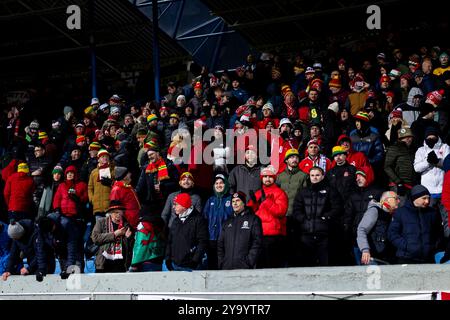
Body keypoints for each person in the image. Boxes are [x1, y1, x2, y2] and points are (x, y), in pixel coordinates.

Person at [292, 166, 342, 266]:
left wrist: (326, 218)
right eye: (312, 175)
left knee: (325, 264)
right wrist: (304, 220)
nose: (314, 177)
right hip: (306, 234)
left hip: (324, 235)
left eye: (317, 175)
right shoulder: (303, 192)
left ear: (322, 176)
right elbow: (296, 209)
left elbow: (337, 208)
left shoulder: (330, 191)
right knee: (307, 265)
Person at [388, 185, 445, 264]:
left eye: (428, 198)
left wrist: (433, 247)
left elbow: (439, 233)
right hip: (406, 258)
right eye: (424, 198)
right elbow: (392, 234)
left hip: (428, 259)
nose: (427, 201)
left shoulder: (433, 212)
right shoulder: (401, 212)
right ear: (415, 198)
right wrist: (407, 246)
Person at [247, 165, 288, 268]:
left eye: (270, 176)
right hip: (258, 234)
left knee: (272, 265)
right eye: (265, 177)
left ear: (274, 178)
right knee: (260, 265)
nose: (267, 179)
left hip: (273, 235)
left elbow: (281, 211)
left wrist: (267, 202)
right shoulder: (258, 193)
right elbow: (250, 214)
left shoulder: (280, 193)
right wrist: (253, 205)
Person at [276, 148, 309, 266]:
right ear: (286, 160)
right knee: (284, 243)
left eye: (296, 157)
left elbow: (306, 196)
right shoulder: (279, 177)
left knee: (297, 242)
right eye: (291, 157)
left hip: (297, 215)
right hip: (283, 215)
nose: (294, 159)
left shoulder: (304, 176)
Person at [217, 192, 263, 270]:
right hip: (227, 268)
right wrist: (222, 262)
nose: (235, 203)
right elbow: (220, 245)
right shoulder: (227, 222)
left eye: (238, 200)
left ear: (244, 203)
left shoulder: (253, 219)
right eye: (233, 201)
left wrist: (249, 262)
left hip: (245, 267)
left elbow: (257, 243)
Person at [163, 193, 208, 271]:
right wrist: (168, 259)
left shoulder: (198, 220)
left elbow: (203, 242)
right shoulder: (176, 221)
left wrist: (195, 260)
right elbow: (169, 241)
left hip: (191, 267)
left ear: (183, 206)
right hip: (174, 265)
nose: (173, 207)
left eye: (176, 204)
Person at [357, 191, 400, 265]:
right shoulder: (374, 211)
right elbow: (362, 229)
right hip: (374, 258)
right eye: (396, 198)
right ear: (386, 200)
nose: (398, 201)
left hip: (389, 258)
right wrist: (365, 250)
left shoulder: (394, 214)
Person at [91, 201, 134, 273]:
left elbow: (131, 246)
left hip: (120, 264)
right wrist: (114, 234)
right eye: (115, 212)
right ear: (110, 213)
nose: (118, 215)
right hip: (104, 263)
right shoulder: (101, 222)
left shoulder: (127, 226)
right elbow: (95, 238)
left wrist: (129, 238)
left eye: (120, 212)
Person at [202, 174, 233, 270]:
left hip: (226, 238)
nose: (219, 185)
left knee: (224, 263)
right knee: (212, 264)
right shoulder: (210, 200)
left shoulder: (231, 199)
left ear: (226, 184)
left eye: (221, 183)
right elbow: (204, 218)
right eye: (216, 183)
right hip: (211, 238)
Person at [384, 127, 417, 202]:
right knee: (399, 208)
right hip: (397, 185)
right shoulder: (394, 148)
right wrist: (398, 182)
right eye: (404, 138)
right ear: (399, 139)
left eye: (409, 137)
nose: (407, 139)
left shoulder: (413, 149)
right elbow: (387, 167)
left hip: (411, 185)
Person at [88, 149, 116, 220]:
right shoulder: (94, 172)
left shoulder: (114, 170)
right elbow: (90, 187)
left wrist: (111, 183)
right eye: (102, 156)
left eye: (107, 156)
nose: (105, 158)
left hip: (110, 205)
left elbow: (118, 185)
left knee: (110, 228)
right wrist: (92, 199)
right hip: (97, 206)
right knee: (100, 228)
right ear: (98, 159)